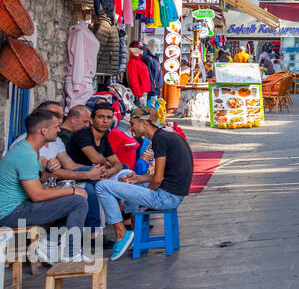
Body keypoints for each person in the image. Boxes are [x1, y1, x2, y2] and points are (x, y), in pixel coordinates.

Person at [93, 109, 194, 261]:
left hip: (166, 197)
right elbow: (164, 174)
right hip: (175, 194)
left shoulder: (160, 139)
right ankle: (134, 231)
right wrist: (138, 179)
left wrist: (145, 193)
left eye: (133, 124)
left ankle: (121, 233)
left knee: (102, 186)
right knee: (128, 182)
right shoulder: (168, 135)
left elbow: (158, 179)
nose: (131, 128)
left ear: (145, 123)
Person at [0, 110, 90, 263]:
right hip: (9, 213)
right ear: (43, 130)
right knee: (78, 202)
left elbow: (37, 183)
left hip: (19, 206)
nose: (59, 130)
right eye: (56, 127)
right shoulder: (25, 154)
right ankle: (70, 253)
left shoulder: (29, 150)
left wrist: (48, 171)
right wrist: (73, 190)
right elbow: (37, 195)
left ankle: (48, 244)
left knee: (71, 200)